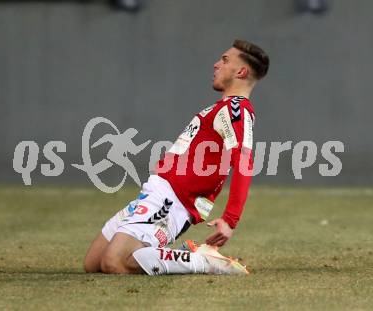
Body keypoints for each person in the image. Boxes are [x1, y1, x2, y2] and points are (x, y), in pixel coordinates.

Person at [83, 39, 269, 275]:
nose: (216, 65)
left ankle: (202, 261)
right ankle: (185, 252)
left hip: (172, 201)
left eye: (224, 60)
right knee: (93, 264)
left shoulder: (236, 110)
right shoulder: (221, 108)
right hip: (154, 192)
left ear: (241, 71)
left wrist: (230, 219)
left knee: (114, 262)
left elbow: (243, 161)